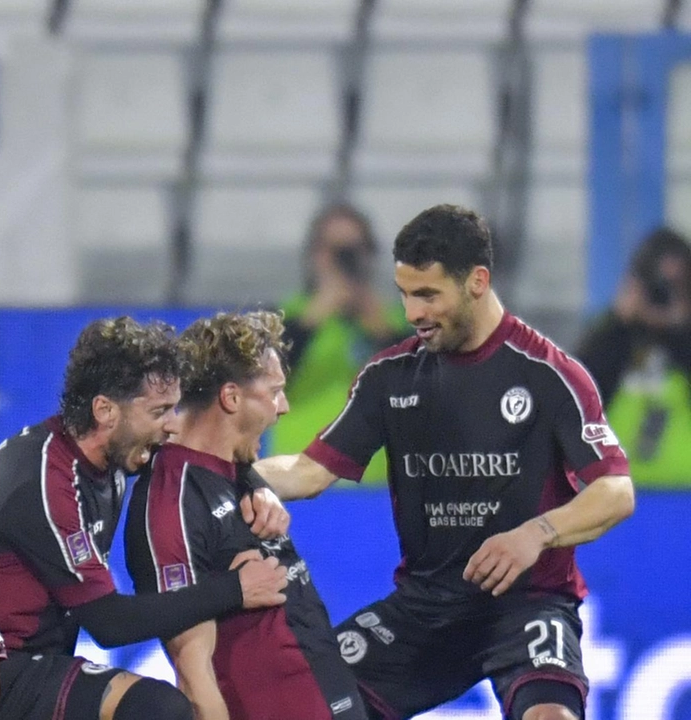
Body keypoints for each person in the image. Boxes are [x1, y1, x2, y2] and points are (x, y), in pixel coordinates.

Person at [253, 204, 635, 720]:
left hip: (526, 605)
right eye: (405, 293)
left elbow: (615, 491)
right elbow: (307, 471)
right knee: (298, 701)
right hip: (425, 609)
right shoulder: (391, 376)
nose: (412, 312)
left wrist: (535, 533)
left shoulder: (550, 374)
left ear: (478, 281)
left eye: (428, 294)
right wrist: (214, 471)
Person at [0, 317, 291, 720]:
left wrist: (253, 482)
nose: (171, 425)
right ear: (104, 410)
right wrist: (235, 590)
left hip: (42, 664)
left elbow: (201, 449)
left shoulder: (116, 451)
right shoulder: (41, 479)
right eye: (159, 411)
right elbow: (109, 624)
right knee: (157, 709)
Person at [124, 311, 368, 720]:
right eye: (274, 392)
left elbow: (304, 476)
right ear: (232, 398)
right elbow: (193, 671)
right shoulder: (172, 501)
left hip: (329, 697)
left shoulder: (236, 475)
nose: (284, 407)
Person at [272, 204, 410, 480]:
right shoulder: (289, 317)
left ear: (370, 254)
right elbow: (264, 377)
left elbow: (419, 388)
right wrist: (314, 317)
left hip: (377, 484)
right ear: (315, 255)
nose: (345, 260)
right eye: (334, 250)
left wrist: (379, 329)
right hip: (298, 475)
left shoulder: (398, 319)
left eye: (353, 250)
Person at [576, 226, 691, 485]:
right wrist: (619, 322)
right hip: (616, 496)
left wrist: (681, 330)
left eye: (675, 286)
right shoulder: (614, 338)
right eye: (657, 285)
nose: (662, 296)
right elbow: (573, 396)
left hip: (684, 496)